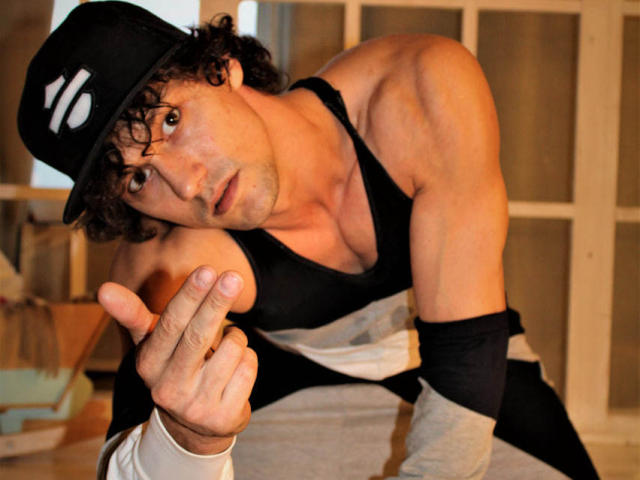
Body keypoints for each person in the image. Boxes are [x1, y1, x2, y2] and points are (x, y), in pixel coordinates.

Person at [18, 2, 598, 479]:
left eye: (171, 121)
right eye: (137, 178)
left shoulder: (418, 90)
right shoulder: (169, 264)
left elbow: (468, 354)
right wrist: (189, 436)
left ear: (220, 67)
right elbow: (131, 465)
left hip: (465, 356)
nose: (187, 184)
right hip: (287, 388)